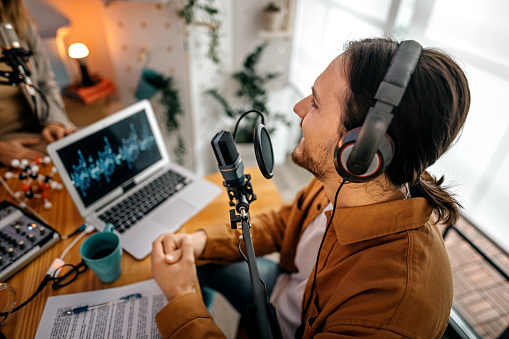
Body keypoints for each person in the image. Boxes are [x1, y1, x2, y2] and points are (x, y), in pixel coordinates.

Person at [151, 37, 470, 338]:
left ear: (359, 151)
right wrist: (199, 241)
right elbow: (283, 224)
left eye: (316, 103)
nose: (299, 108)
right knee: (201, 261)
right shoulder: (342, 182)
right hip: (284, 290)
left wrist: (182, 299)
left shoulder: (393, 305)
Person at [0, 0, 75, 166]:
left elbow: (45, 82)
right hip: (6, 139)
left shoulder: (19, 24)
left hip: (40, 126)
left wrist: (55, 121)